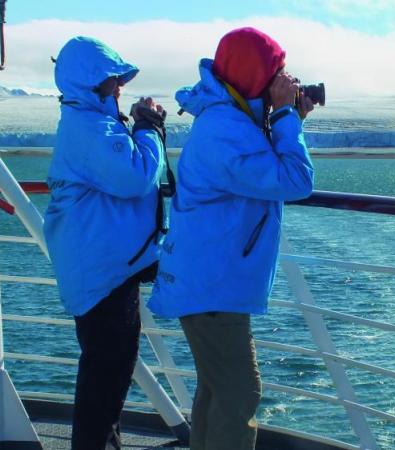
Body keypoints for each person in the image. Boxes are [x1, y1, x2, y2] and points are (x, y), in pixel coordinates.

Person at [147, 27, 315, 450]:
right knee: (240, 392)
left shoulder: (227, 119)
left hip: (209, 277)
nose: (284, 79)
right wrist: (284, 116)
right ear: (255, 75)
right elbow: (294, 180)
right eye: (275, 72)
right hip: (213, 283)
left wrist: (288, 117)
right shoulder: (225, 128)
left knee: (217, 389)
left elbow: (259, 167)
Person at [44, 36, 167, 450]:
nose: (119, 88)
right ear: (93, 84)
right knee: (105, 380)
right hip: (103, 275)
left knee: (105, 377)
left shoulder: (89, 123)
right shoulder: (89, 127)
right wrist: (150, 129)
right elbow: (135, 177)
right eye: (113, 80)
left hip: (102, 269)